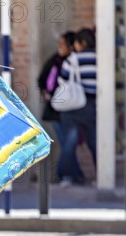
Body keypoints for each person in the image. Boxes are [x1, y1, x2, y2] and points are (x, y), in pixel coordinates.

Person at [58, 28, 97, 187]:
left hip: (74, 104)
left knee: (70, 141)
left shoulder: (73, 59)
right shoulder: (101, 58)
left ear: (83, 43)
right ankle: (102, 176)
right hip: (92, 104)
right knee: (94, 141)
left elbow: (63, 80)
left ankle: (67, 176)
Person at [37, 31, 76, 184]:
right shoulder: (55, 60)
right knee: (66, 143)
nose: (59, 47)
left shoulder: (74, 62)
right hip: (54, 110)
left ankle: (67, 174)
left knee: (68, 143)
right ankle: (67, 175)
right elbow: (41, 79)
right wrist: (45, 92)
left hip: (72, 109)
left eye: (62, 44)